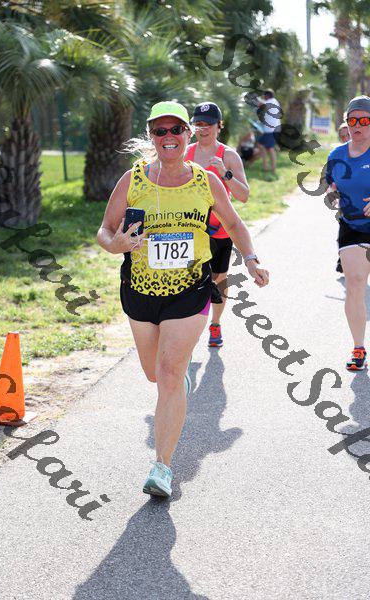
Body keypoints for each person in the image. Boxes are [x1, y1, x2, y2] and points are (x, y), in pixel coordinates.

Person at [97, 101, 269, 498]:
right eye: (160, 131)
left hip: (190, 290)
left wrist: (251, 259)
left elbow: (233, 222)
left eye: (176, 129)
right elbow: (104, 229)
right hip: (140, 290)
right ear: (152, 136)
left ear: (187, 134)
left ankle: (162, 466)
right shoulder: (133, 180)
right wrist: (115, 244)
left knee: (170, 373)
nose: (169, 137)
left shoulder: (205, 180)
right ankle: (175, 380)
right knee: (154, 374)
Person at [185, 101, 249, 348]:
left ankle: (215, 323)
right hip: (191, 228)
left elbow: (243, 195)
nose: (203, 129)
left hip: (220, 229)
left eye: (208, 124)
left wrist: (225, 173)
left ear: (219, 126)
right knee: (190, 279)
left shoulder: (228, 155)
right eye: (198, 124)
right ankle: (188, 328)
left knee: (218, 279)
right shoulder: (185, 153)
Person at [326, 95, 370, 371]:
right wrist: (332, 196)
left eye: (364, 120)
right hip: (352, 226)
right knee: (354, 283)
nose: (357, 125)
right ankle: (358, 347)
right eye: (352, 120)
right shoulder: (336, 156)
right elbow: (331, 186)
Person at [256, 89, 282, 180]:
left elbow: (260, 104)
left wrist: (256, 98)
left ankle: (273, 168)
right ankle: (266, 166)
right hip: (270, 130)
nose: (264, 97)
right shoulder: (273, 101)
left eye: (264, 95)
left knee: (270, 148)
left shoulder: (271, 101)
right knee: (260, 144)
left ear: (267, 95)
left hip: (271, 130)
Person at [335, 123, 351, 274]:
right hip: (347, 203)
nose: (346, 139)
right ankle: (342, 259)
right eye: (343, 137)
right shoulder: (339, 155)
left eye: (348, 135)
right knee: (344, 230)